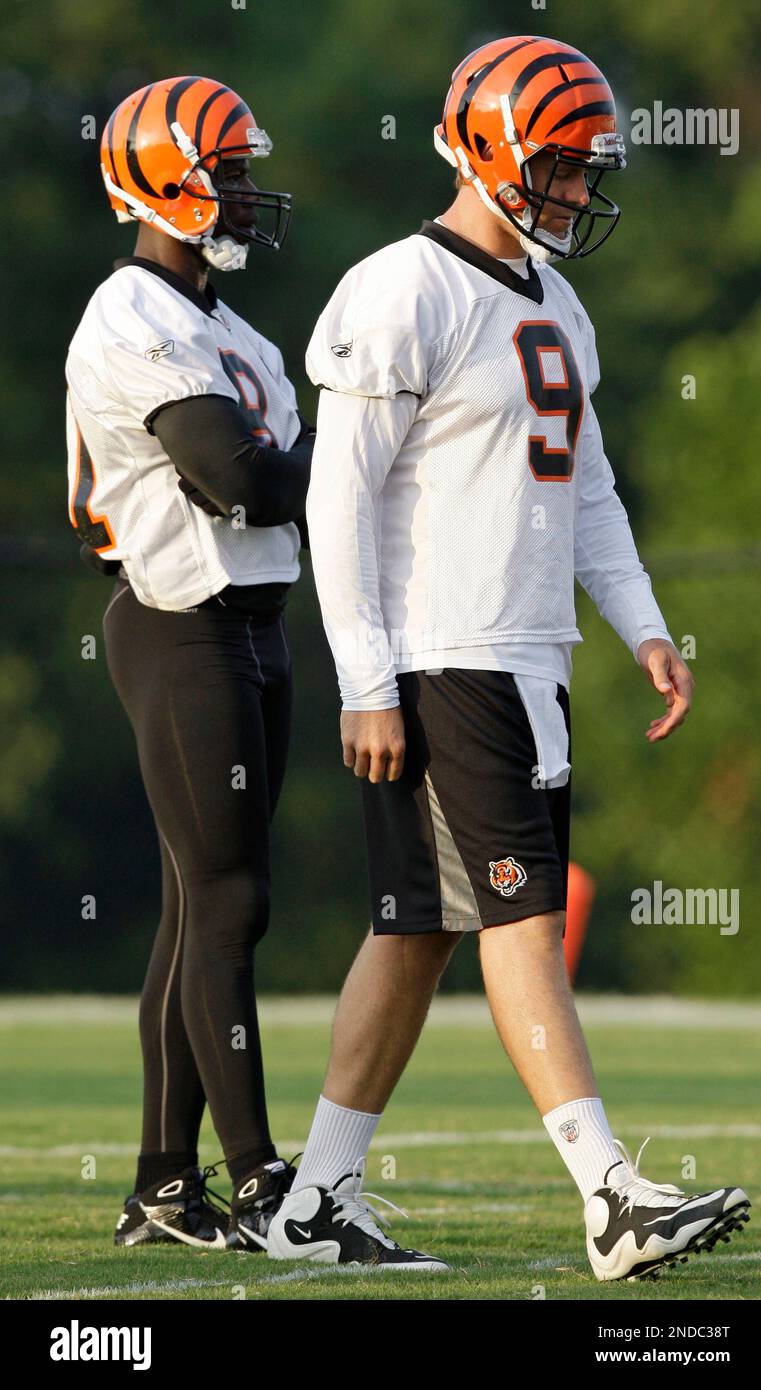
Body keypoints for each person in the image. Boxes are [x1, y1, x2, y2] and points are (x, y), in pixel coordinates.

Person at [265, 36, 750, 1281]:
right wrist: (366, 675)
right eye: (565, 170)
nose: (581, 194)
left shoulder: (555, 298)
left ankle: (315, 1202)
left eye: (591, 172)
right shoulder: (401, 289)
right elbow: (339, 498)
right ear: (487, 151)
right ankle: (611, 1197)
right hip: (450, 654)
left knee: (417, 927)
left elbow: (587, 488)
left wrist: (642, 621)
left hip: (521, 654)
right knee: (523, 921)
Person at [66, 76, 312, 1251]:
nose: (248, 193)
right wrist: (339, 468)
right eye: (228, 170)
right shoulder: (130, 310)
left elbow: (282, 480)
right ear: (162, 178)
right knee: (230, 901)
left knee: (191, 909)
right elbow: (246, 478)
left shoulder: (238, 332)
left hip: (257, 623)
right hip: (180, 618)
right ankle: (264, 1184)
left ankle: (164, 1186)